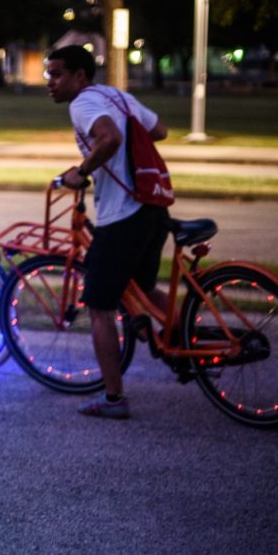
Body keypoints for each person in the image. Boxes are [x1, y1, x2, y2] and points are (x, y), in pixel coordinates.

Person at [45, 44, 171, 420]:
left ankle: (113, 398)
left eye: (56, 74)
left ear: (80, 76)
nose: (50, 83)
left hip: (123, 215)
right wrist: (104, 163)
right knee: (144, 288)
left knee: (99, 307)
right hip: (152, 206)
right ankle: (185, 344)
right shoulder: (117, 95)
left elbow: (111, 137)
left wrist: (84, 170)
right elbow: (159, 130)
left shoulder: (82, 103)